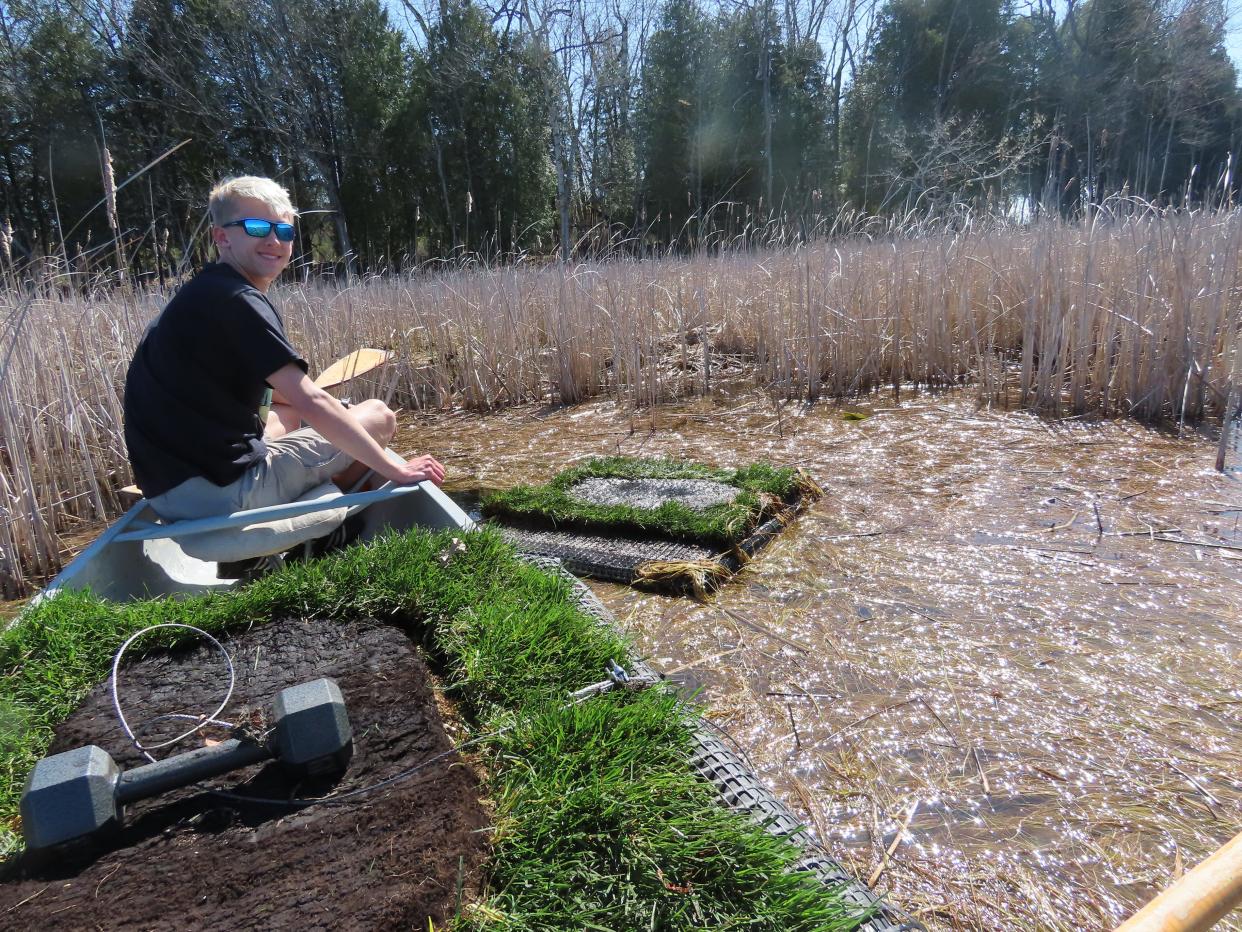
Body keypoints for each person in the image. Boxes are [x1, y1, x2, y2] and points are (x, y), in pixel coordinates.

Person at [123, 175, 444, 539]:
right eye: (257, 227)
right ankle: (331, 535)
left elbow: (281, 400)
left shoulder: (205, 292)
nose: (274, 240)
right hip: (222, 495)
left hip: (170, 494)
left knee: (285, 415)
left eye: (284, 231)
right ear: (221, 236)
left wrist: (309, 408)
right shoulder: (238, 300)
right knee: (377, 415)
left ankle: (306, 505)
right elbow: (311, 399)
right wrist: (396, 470)